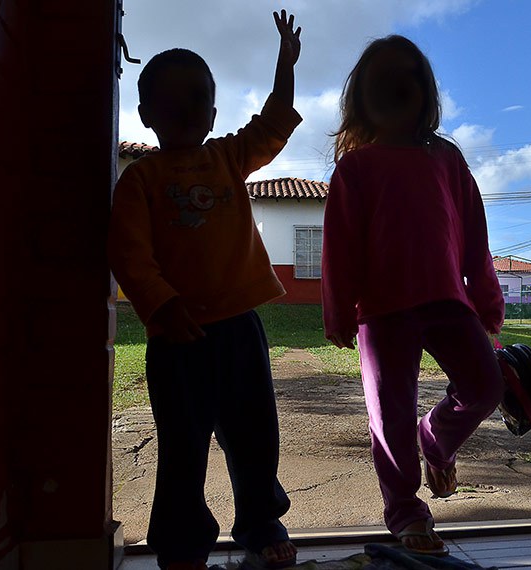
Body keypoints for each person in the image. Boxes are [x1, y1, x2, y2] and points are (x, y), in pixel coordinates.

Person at [108, 11, 302, 570]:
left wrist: (284, 67)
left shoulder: (226, 157)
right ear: (145, 115)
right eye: (171, 100)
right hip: (176, 336)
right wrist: (162, 304)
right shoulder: (140, 181)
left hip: (241, 327)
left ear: (214, 112)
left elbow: (271, 126)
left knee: (256, 437)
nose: (188, 108)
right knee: (182, 450)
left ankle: (263, 524)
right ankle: (181, 544)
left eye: (199, 97)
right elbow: (128, 253)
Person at [322, 35, 505, 556]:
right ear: (361, 98)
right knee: (389, 417)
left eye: (409, 78)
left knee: (485, 385)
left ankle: (437, 438)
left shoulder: (446, 158)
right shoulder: (355, 168)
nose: (398, 88)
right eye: (383, 81)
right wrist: (338, 310)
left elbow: (474, 233)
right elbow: (340, 246)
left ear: (426, 93)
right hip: (381, 313)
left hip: (448, 302)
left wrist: (487, 299)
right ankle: (406, 513)